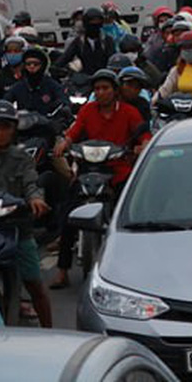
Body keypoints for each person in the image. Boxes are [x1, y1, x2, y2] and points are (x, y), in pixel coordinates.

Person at [50, 70, 149, 288]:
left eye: (105, 88)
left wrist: (142, 144)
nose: (101, 92)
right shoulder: (87, 110)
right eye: (97, 89)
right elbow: (73, 133)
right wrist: (64, 143)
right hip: (88, 169)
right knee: (68, 214)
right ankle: (62, 270)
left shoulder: (129, 112)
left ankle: (131, 265)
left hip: (118, 170)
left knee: (129, 214)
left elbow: (144, 134)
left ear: (115, 91)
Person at [0, 100, 53, 327]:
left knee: (35, 285)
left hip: (18, 230)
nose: (0, 132)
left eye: (5, 126)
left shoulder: (23, 158)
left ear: (13, 129)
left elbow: (31, 183)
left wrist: (36, 199)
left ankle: (50, 334)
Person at [4, 47, 67, 118]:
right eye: (28, 64)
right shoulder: (19, 86)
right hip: (23, 123)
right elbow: (5, 102)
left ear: (42, 65)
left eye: (36, 64)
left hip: (47, 124)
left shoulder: (52, 85)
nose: (32, 66)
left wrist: (54, 108)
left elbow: (63, 101)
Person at [54, 7, 116, 76]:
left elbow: (113, 60)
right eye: (91, 24)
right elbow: (65, 58)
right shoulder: (79, 42)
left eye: (97, 24)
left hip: (104, 78)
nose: (94, 27)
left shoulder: (107, 40)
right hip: (84, 80)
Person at [0, 36, 28, 100]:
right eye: (9, 51)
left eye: (16, 51)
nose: (12, 54)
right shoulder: (0, 76)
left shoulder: (29, 73)